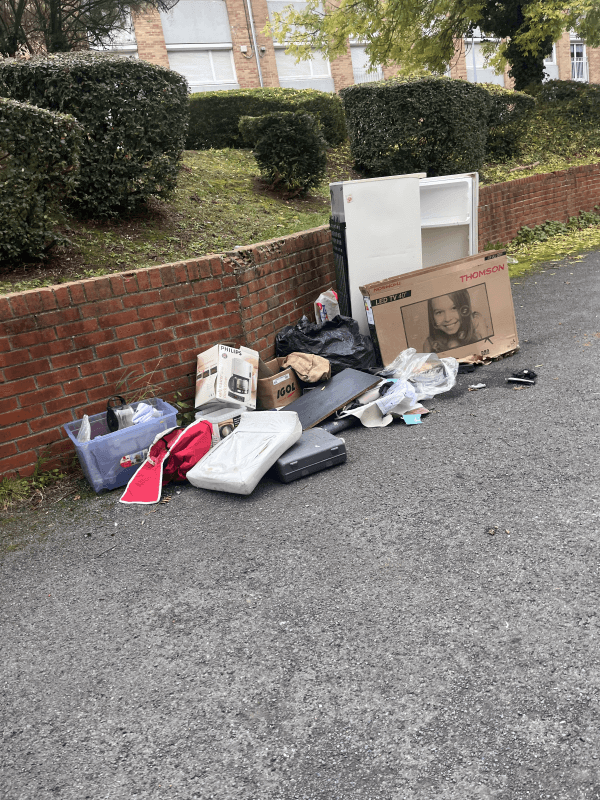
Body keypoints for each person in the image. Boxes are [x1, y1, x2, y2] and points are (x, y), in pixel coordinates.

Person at [422, 290, 491, 353]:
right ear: (432, 316)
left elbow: (486, 353)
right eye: (439, 312)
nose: (447, 318)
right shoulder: (429, 344)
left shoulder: (476, 322)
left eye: (454, 308)